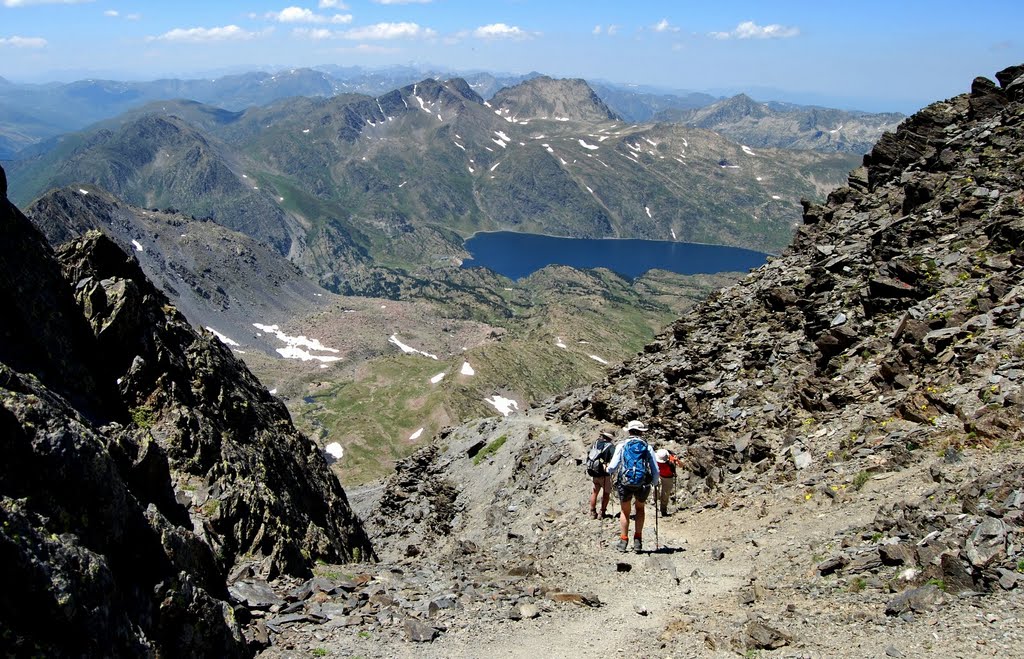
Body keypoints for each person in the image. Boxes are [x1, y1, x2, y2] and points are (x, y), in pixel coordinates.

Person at [608, 420, 659, 552]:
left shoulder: (622, 445)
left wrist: (609, 472)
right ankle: (638, 540)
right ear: (641, 432)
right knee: (640, 509)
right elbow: (655, 469)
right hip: (642, 483)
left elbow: (612, 467)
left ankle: (623, 540)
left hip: (625, 482)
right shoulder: (647, 447)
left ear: (629, 431)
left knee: (625, 511)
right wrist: (654, 482)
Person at [586, 431, 616, 519]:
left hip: (594, 471)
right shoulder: (610, 447)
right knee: (606, 493)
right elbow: (613, 459)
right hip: (604, 474)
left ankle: (592, 511)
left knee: (595, 492)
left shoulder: (596, 443)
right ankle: (602, 512)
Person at [655, 448, 680, 516]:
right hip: (661, 476)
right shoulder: (656, 458)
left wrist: (676, 461)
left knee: (665, 494)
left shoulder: (671, 460)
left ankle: (662, 510)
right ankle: (657, 505)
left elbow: (680, 465)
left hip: (666, 477)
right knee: (659, 491)